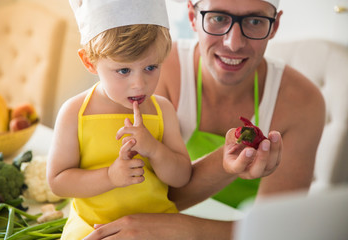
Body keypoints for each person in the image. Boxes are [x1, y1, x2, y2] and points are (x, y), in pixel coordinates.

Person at [83, 0, 325, 239]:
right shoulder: (154, 71)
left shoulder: (302, 101)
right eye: (218, 18)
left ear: (274, 26)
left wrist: (182, 229)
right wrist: (226, 162)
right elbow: (145, 194)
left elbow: (277, 230)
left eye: (255, 21)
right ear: (192, 17)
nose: (234, 43)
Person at [46, 0, 192, 238]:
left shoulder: (162, 110)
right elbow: (58, 182)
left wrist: (154, 149)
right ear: (89, 62)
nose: (139, 84)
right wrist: (110, 176)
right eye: (124, 71)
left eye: (151, 67)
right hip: (93, 224)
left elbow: (182, 177)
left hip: (157, 224)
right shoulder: (74, 113)